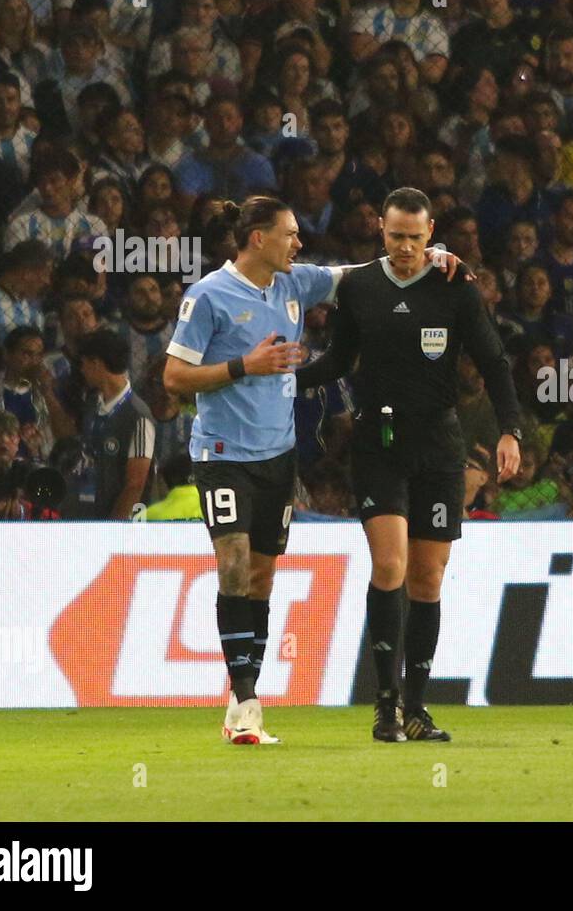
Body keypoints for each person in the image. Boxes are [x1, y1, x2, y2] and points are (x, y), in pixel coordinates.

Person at [164, 193, 461, 745]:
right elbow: (175, 378)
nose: (299, 243)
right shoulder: (207, 296)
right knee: (231, 564)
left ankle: (240, 695)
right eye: (290, 234)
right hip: (222, 455)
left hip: (279, 456)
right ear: (259, 238)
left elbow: (362, 273)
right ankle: (248, 701)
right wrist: (242, 366)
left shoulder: (295, 283)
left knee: (259, 577)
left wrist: (432, 255)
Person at [296, 186, 521, 743]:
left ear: (431, 233)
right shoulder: (360, 287)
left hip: (439, 444)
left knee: (428, 577)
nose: (404, 247)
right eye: (395, 236)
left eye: (415, 239)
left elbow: (493, 361)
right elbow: (340, 361)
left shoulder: (454, 286)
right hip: (380, 440)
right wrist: (285, 374)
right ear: (380, 228)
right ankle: (384, 704)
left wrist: (511, 431)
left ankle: (417, 708)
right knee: (390, 567)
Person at [76, 328, 155, 520]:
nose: (82, 370)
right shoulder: (92, 404)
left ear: (96, 364)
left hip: (120, 526)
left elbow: (135, 484)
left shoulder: (138, 416)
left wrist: (113, 529)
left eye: (84, 363)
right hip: (87, 511)